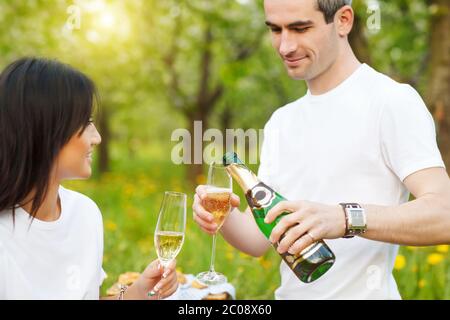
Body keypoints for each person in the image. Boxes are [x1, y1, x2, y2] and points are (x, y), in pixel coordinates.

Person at [193, 0, 450, 299]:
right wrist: (223, 218)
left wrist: (343, 218)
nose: (285, 46)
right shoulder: (282, 121)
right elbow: (258, 240)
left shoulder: (391, 102)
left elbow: (444, 213)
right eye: (275, 29)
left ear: (343, 20)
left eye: (300, 28)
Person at [0, 57, 178, 299]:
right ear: (46, 130)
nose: (97, 138)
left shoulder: (85, 214)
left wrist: (137, 291)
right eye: (85, 123)